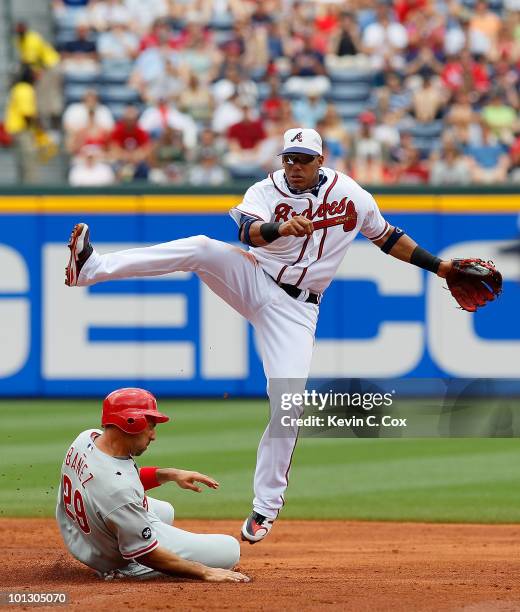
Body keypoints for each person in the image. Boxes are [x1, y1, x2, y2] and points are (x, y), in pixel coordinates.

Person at [65, 127, 462, 544]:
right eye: (288, 158)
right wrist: (280, 229)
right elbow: (247, 233)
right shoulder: (266, 189)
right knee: (201, 247)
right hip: (254, 276)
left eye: (303, 160)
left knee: (288, 401)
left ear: (320, 162)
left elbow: (387, 237)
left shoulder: (352, 196)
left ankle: (265, 506)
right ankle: (89, 269)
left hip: (296, 309)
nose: (293, 167)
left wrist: (441, 268)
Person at [56, 387, 249, 583]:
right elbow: (147, 553)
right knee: (229, 549)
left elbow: (118, 480)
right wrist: (204, 571)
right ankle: (127, 570)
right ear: (131, 422)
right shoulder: (118, 491)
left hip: (81, 533)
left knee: (166, 511)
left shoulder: (87, 439)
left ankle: (131, 539)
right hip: (107, 555)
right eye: (151, 425)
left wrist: (171, 474)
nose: (153, 435)